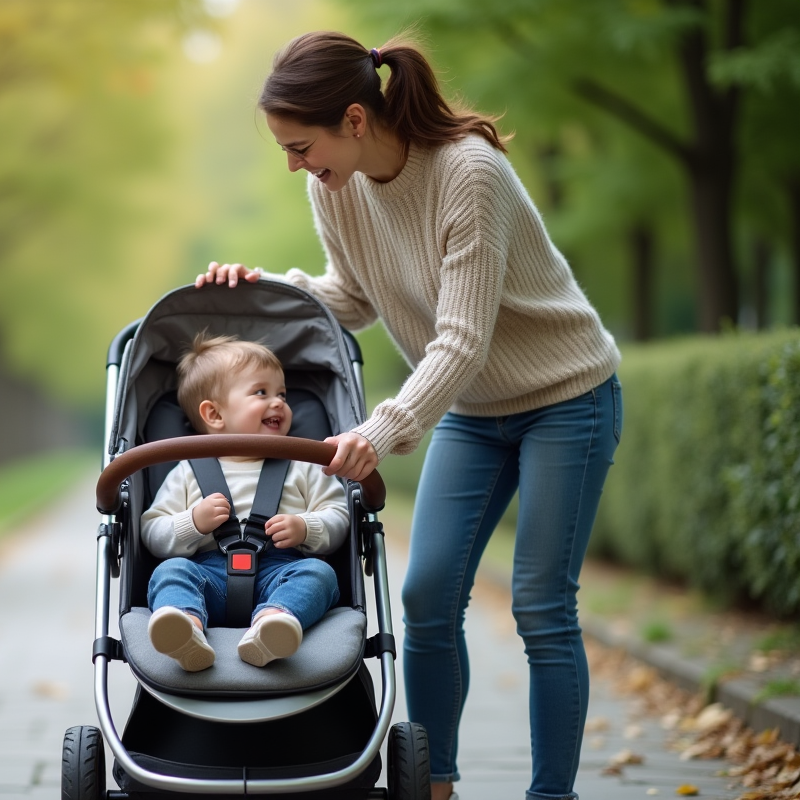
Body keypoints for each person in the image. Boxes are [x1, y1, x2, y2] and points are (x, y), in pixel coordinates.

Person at [197, 31, 622, 800]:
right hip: (473, 409)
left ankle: (551, 794)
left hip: (567, 397)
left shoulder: (470, 175)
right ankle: (437, 785)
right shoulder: (334, 186)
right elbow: (354, 298)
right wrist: (255, 290)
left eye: (301, 145)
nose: (294, 164)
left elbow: (461, 338)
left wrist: (378, 430)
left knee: (540, 605)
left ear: (355, 120)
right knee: (426, 597)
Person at [141, 333, 349, 672]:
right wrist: (191, 522)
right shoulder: (188, 470)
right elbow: (152, 529)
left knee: (319, 574)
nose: (279, 402)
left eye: (282, 393)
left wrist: (305, 526)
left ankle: (274, 623)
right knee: (171, 571)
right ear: (214, 414)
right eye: (261, 392)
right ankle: (186, 629)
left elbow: (339, 516)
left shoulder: (305, 464)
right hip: (207, 576)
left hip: (279, 573)